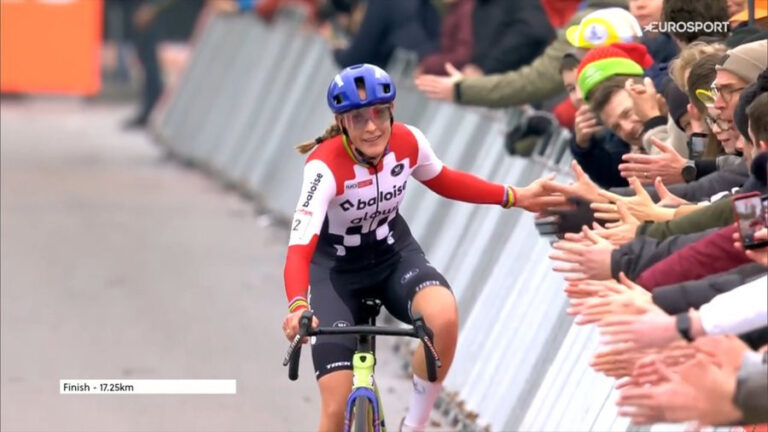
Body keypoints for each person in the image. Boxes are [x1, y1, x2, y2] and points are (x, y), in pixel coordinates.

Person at [280, 64, 561, 431]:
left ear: (392, 110)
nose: (371, 127)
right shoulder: (323, 167)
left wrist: (514, 196)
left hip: (393, 257)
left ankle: (414, 425)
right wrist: (298, 307)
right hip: (336, 275)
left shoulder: (408, 142)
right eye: (358, 118)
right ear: (341, 122)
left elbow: (445, 180)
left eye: (379, 113)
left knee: (443, 316)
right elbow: (299, 249)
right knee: (334, 412)